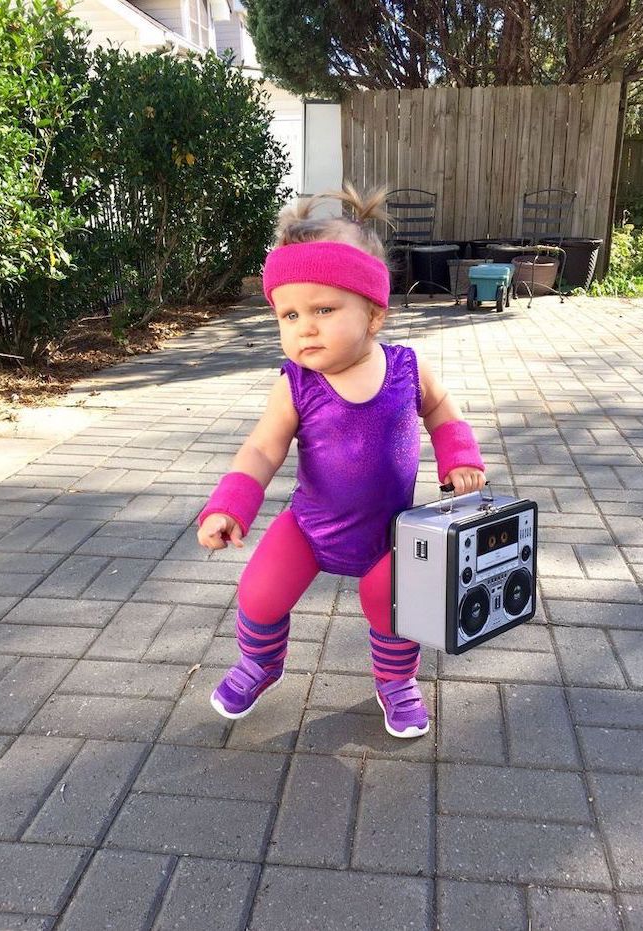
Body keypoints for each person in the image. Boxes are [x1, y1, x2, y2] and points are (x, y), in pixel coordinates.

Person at [197, 185, 485, 739]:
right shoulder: (297, 384)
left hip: (390, 535)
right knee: (258, 591)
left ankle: (396, 682)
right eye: (289, 314)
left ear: (373, 314)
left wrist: (460, 456)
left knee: (392, 604)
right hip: (311, 527)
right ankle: (261, 664)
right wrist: (229, 505)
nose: (304, 327)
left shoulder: (406, 367)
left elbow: (444, 412)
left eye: (324, 310)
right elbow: (261, 448)